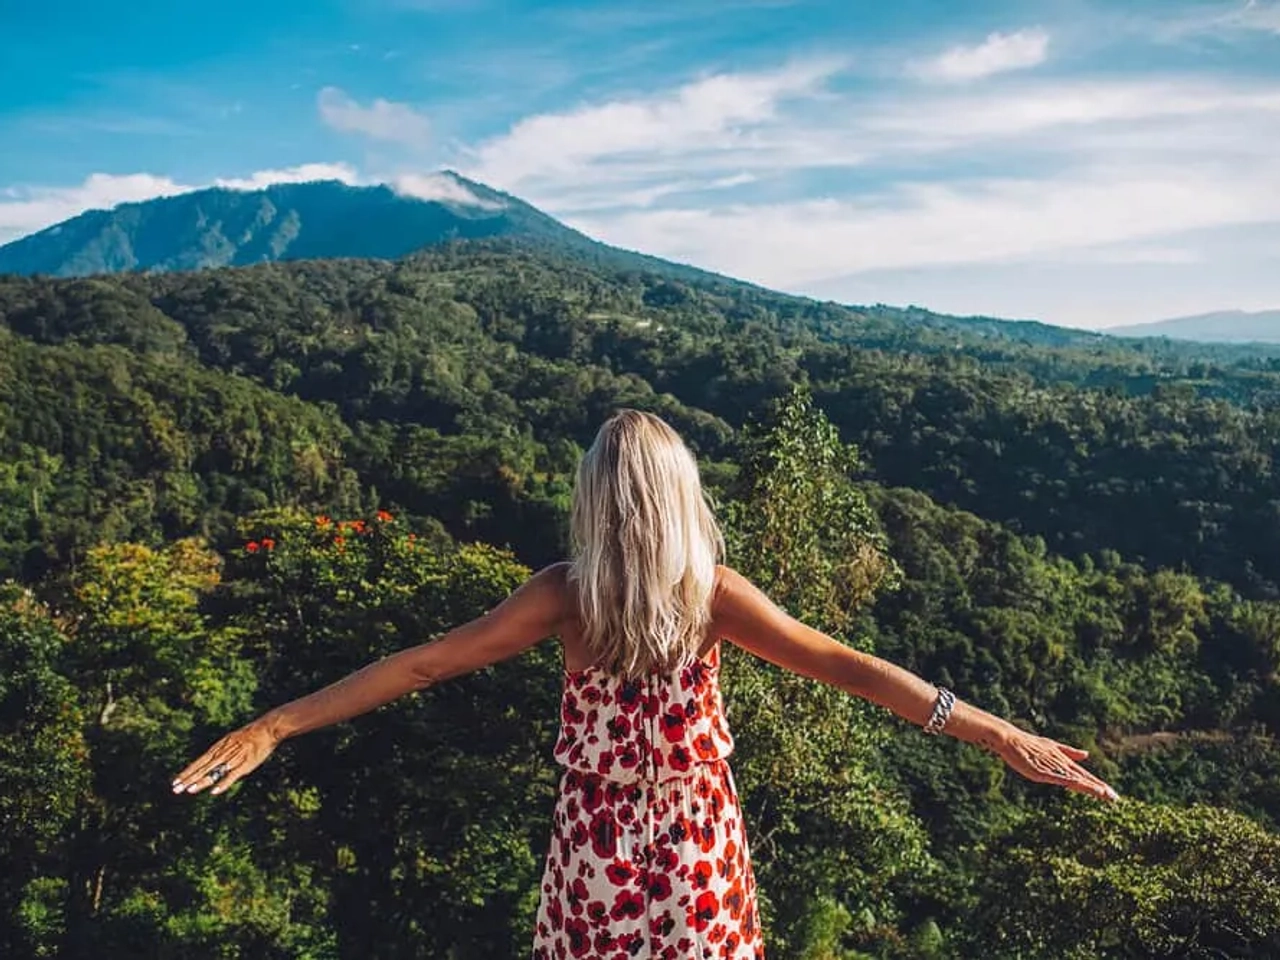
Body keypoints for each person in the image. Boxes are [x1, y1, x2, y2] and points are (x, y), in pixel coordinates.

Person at [173, 409, 1118, 958]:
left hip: (595, 844)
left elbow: (424, 663)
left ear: (594, 497)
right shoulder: (711, 596)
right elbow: (853, 669)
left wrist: (281, 723)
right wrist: (997, 735)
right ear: (678, 498)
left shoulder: (562, 598)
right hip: (699, 838)